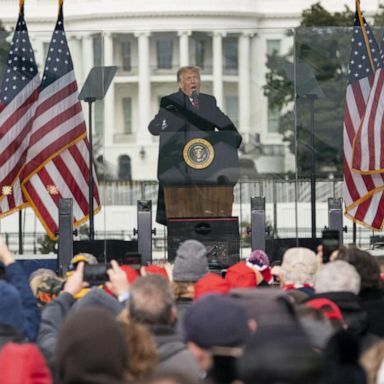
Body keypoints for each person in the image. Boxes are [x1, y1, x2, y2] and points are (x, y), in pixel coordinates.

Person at [148, 65, 242, 225]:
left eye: (196, 78)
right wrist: (166, 118)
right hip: (178, 170)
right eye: (189, 78)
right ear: (180, 83)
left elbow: (227, 127)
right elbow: (154, 128)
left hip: (207, 169)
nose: (193, 82)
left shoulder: (208, 101)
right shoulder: (170, 102)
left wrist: (232, 141)